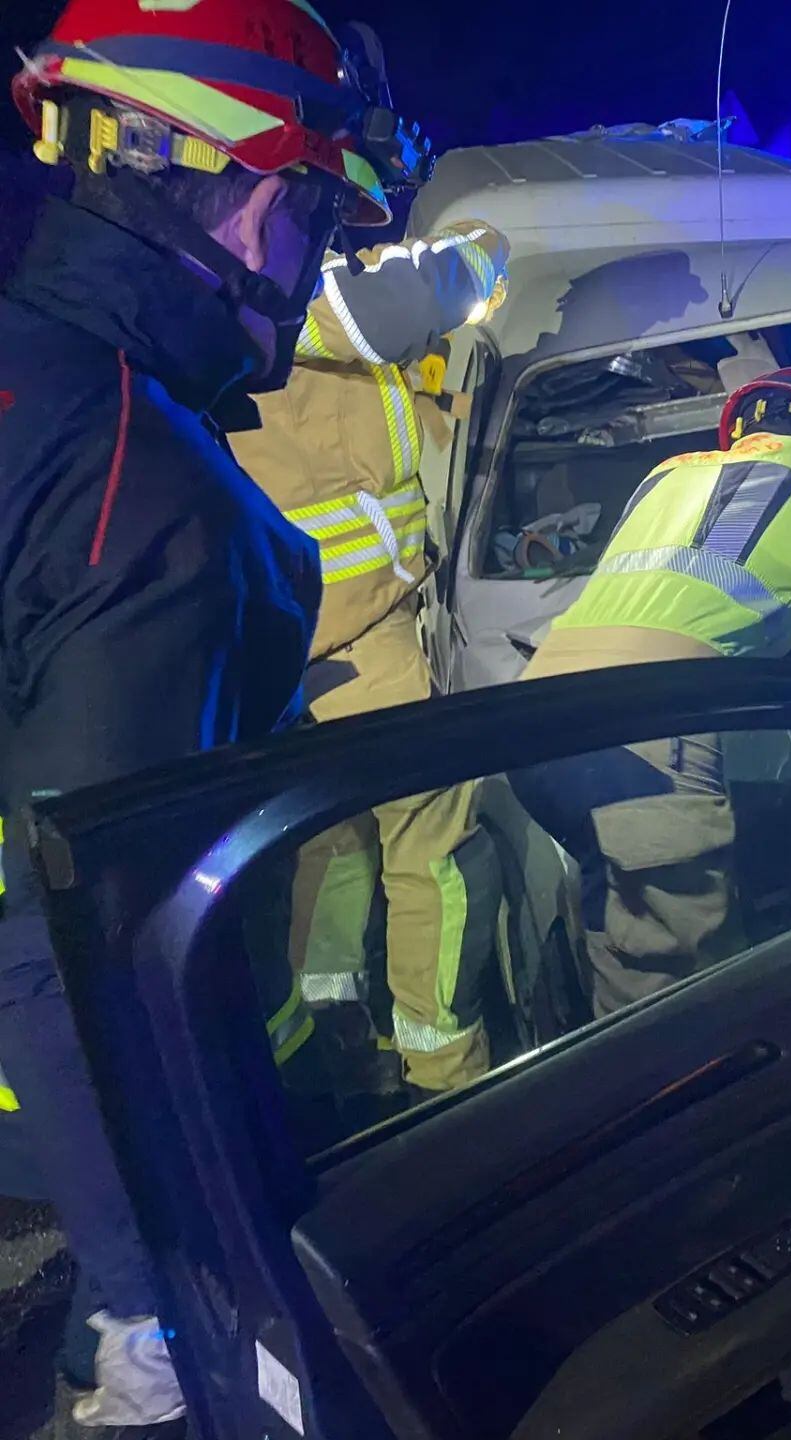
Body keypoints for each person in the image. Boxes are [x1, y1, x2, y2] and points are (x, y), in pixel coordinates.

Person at [0, 0, 401, 1424]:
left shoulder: (36, 379)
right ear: (244, 192)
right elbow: (79, 953)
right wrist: (152, 1301)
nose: (315, 263)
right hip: (138, 1156)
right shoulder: (149, 491)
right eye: (317, 216)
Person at [510, 368, 791, 1017]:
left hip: (531, 725)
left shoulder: (670, 477)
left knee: (622, 946)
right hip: (643, 735)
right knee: (691, 998)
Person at [229, 213, 510, 1095]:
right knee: (438, 843)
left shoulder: (217, 300)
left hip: (284, 634)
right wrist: (482, 243)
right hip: (355, 625)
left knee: (333, 833)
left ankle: (331, 1031)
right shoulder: (295, 286)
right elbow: (414, 297)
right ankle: (445, 1069)